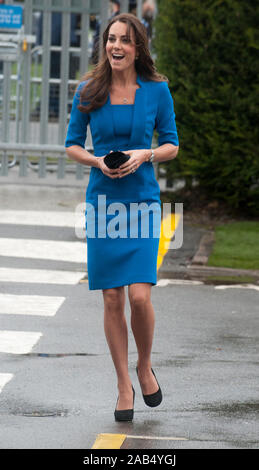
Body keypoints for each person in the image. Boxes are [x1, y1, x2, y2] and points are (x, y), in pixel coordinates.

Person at [65, 13, 179, 421]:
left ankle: (144, 365)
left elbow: (171, 145)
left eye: (125, 41)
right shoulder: (88, 90)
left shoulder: (156, 90)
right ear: (105, 45)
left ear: (137, 48)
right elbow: (71, 145)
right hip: (103, 204)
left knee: (139, 295)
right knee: (112, 297)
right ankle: (122, 384)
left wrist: (144, 154)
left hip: (142, 202)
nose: (116, 46)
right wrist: (98, 161)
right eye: (111, 39)